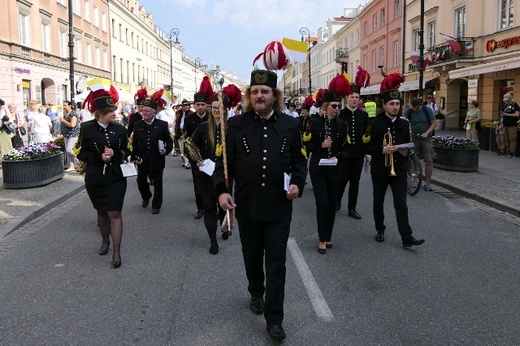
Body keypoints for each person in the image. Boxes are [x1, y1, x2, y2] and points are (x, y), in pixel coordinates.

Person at [215, 69, 307, 340]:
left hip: (279, 206)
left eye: (265, 92)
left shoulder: (290, 125)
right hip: (248, 205)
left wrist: (298, 184)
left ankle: (274, 318)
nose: (259, 96)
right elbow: (224, 165)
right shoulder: (236, 125)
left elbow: (300, 162)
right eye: (254, 91)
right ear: (249, 96)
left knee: (276, 260)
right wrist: (222, 192)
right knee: (252, 255)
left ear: (275, 96)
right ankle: (256, 290)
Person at [364, 73, 425, 248]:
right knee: (378, 201)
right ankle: (380, 229)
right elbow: (367, 147)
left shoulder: (405, 123)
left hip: (398, 169)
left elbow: (408, 142)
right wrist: (382, 149)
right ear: (384, 105)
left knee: (401, 204)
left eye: (397, 103)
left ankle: (406, 237)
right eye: (391, 104)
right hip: (380, 169)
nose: (395, 107)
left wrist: (406, 151)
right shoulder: (375, 123)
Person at [76, 83, 130, 268]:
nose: (115, 114)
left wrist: (117, 154)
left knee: (114, 212)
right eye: (111, 112)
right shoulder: (86, 128)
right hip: (95, 177)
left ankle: (116, 251)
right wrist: (98, 157)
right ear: (100, 113)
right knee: (101, 211)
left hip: (116, 176)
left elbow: (127, 150)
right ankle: (105, 241)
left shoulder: (120, 129)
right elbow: (79, 152)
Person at [191, 88, 240, 254]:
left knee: (222, 207)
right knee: (209, 206)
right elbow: (190, 146)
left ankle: (224, 226)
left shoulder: (232, 129)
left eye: (219, 107)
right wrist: (197, 161)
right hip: (205, 174)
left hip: (225, 176)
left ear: (225, 109)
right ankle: (213, 241)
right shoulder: (203, 127)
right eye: (213, 107)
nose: (215, 110)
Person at [305, 85, 348, 254]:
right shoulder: (314, 123)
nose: (337, 109)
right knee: (322, 203)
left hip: (335, 168)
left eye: (339, 106)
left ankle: (328, 236)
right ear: (325, 107)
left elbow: (347, 148)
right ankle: (322, 238)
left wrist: (338, 157)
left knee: (331, 204)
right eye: (334, 106)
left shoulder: (342, 124)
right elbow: (305, 145)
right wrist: (319, 145)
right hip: (318, 168)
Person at [131, 91, 174, 215]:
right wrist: (133, 157)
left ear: (154, 113)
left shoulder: (162, 125)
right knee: (140, 182)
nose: (144, 113)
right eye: (143, 111)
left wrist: (167, 149)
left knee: (158, 183)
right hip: (142, 159)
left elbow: (169, 140)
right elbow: (134, 143)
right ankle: (146, 196)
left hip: (157, 159)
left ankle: (156, 205)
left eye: (147, 111)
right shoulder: (137, 125)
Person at [337, 67, 371, 219]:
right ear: (347, 98)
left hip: (358, 153)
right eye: (352, 97)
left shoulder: (363, 115)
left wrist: (367, 153)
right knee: (342, 180)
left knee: (355, 182)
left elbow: (367, 134)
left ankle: (352, 208)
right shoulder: (340, 114)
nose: (355, 99)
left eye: (357, 97)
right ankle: (337, 201)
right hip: (343, 154)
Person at [185, 77, 213, 219]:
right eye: (198, 104)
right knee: (198, 183)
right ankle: (200, 207)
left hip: (210, 154)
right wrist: (192, 157)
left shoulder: (211, 117)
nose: (201, 107)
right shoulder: (189, 119)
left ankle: (212, 207)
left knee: (212, 181)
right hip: (195, 155)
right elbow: (187, 138)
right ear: (194, 105)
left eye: (203, 104)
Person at [404, 97, 436, 191]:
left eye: (416, 108)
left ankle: (427, 183)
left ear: (420, 106)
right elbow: (403, 121)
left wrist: (426, 133)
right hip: (414, 137)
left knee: (428, 160)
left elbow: (434, 123)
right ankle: (415, 179)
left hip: (426, 138)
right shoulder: (409, 111)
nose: (415, 110)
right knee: (414, 158)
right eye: (413, 108)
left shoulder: (427, 110)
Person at [59, 100, 80, 172]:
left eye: (65, 105)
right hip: (66, 134)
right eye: (63, 105)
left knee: (69, 149)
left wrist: (63, 121)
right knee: (67, 151)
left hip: (72, 134)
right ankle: (71, 165)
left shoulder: (73, 114)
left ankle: (80, 159)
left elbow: (72, 125)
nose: (64, 107)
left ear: (70, 105)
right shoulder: (65, 114)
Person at [174, 99, 194, 167]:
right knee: (182, 149)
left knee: (187, 148)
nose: (186, 107)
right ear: (182, 106)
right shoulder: (178, 113)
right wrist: (175, 132)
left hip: (188, 133)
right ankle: (185, 160)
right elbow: (175, 122)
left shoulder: (191, 113)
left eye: (188, 105)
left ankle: (187, 162)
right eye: (185, 105)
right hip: (180, 132)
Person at [499, 93, 520, 158]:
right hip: (505, 124)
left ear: (510, 98)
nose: (506, 101)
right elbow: (502, 113)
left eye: (507, 100)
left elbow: (517, 114)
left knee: (512, 139)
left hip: (512, 125)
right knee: (506, 139)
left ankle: (512, 152)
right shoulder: (505, 105)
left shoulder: (515, 105)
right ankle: (507, 151)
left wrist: (507, 114)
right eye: (505, 100)